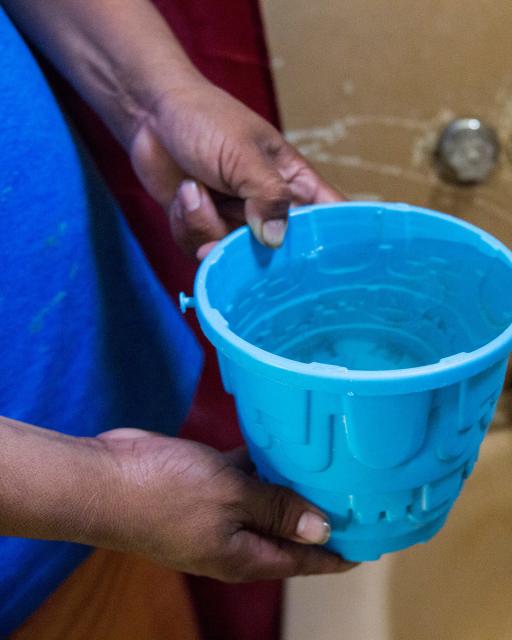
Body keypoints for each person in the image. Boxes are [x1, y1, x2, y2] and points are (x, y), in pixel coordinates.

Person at [0, 0, 351, 636]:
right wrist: (99, 491)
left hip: (106, 438)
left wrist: (154, 98)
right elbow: (103, 494)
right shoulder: (106, 492)